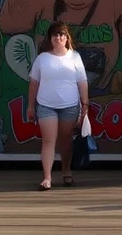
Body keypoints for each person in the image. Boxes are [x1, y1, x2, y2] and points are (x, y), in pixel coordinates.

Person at [27, 21, 89, 191]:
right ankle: (47, 178)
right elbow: (33, 83)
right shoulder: (42, 59)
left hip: (69, 106)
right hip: (46, 105)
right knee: (48, 141)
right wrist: (30, 106)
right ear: (50, 38)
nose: (59, 38)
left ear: (67, 37)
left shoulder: (75, 57)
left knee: (66, 141)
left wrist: (85, 103)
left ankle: (66, 171)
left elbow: (82, 81)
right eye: (55, 35)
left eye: (62, 34)